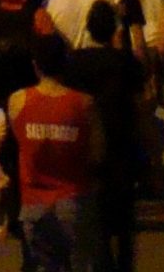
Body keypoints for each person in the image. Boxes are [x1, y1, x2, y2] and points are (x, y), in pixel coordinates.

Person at [11, 35, 101, 272]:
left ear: (35, 64)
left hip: (34, 204)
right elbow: (97, 154)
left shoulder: (18, 101)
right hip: (74, 199)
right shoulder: (84, 103)